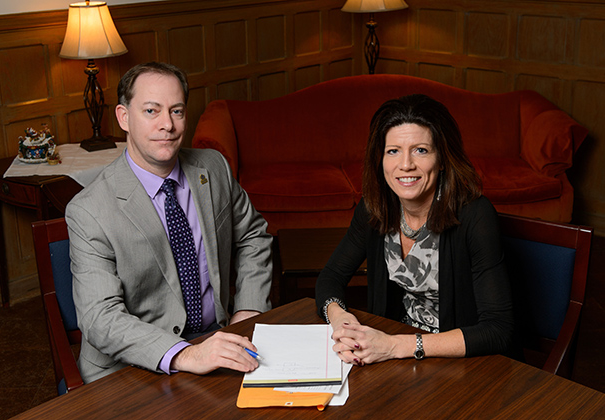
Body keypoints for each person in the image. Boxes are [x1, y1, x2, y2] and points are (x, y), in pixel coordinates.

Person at [66, 62, 273, 384]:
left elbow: (253, 236)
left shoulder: (213, 167)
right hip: (132, 364)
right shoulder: (89, 210)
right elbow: (100, 318)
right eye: (151, 111)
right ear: (124, 117)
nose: (167, 125)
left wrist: (248, 309)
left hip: (218, 338)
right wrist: (184, 354)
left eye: (176, 111)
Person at [315, 94, 514, 366]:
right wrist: (341, 320)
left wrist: (395, 345)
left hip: (460, 363)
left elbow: (498, 330)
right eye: (393, 151)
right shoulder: (374, 207)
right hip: (397, 356)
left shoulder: (475, 215)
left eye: (420, 150)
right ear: (380, 160)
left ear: (442, 159)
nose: (405, 164)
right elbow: (331, 276)